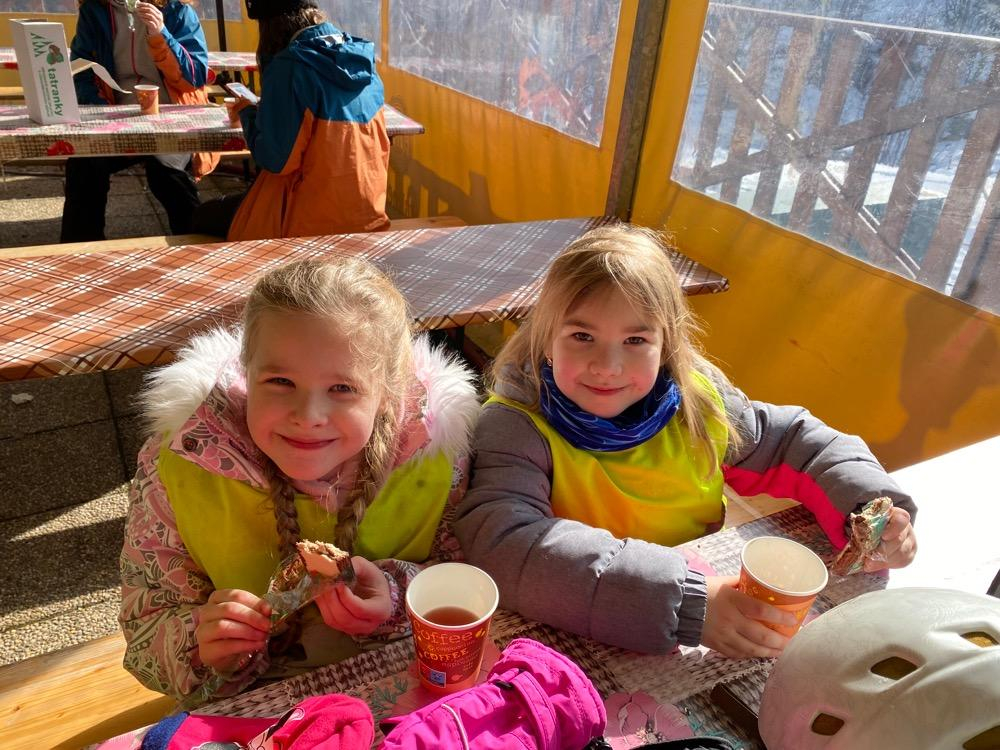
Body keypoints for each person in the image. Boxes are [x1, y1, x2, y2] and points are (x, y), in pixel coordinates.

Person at [454, 224, 918, 660]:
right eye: (582, 336)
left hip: (706, 620)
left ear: (666, 344)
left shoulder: (700, 404)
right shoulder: (517, 424)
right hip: (571, 634)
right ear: (544, 340)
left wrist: (868, 510)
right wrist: (683, 600)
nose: (608, 365)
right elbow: (504, 544)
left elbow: (797, 443)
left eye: (635, 340)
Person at [120, 256, 479, 702]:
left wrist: (396, 598)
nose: (308, 416)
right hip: (249, 709)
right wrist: (199, 644)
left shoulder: (438, 464)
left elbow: (470, 585)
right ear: (246, 374)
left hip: (404, 699)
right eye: (280, 381)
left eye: (342, 388)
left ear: (388, 394)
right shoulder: (181, 465)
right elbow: (144, 632)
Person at [192, 0, 390, 241]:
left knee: (199, 217)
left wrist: (247, 114)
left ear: (269, 26)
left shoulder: (290, 66)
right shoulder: (361, 59)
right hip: (365, 216)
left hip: (308, 223)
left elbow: (275, 161)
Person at [62, 0, 217, 242]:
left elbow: (195, 77)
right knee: (84, 165)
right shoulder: (95, 12)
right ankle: (80, 251)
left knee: (166, 173)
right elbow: (81, 71)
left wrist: (162, 34)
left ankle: (197, 246)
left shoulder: (178, 12)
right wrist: (101, 112)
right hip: (116, 116)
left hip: (171, 117)